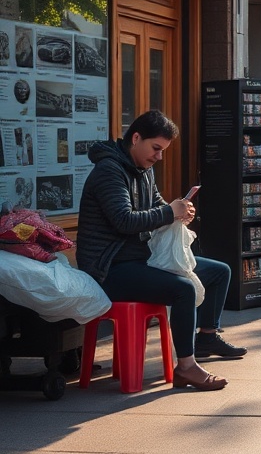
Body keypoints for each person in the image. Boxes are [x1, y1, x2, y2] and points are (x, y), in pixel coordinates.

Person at [77, 110, 246, 392]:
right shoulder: (109, 170)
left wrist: (178, 211)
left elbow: (156, 205)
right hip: (109, 268)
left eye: (163, 150)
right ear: (136, 138)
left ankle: (206, 337)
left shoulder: (144, 169)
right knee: (183, 289)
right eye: (156, 148)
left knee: (219, 272)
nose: (159, 156)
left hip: (141, 258)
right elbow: (124, 220)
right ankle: (186, 367)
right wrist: (169, 212)